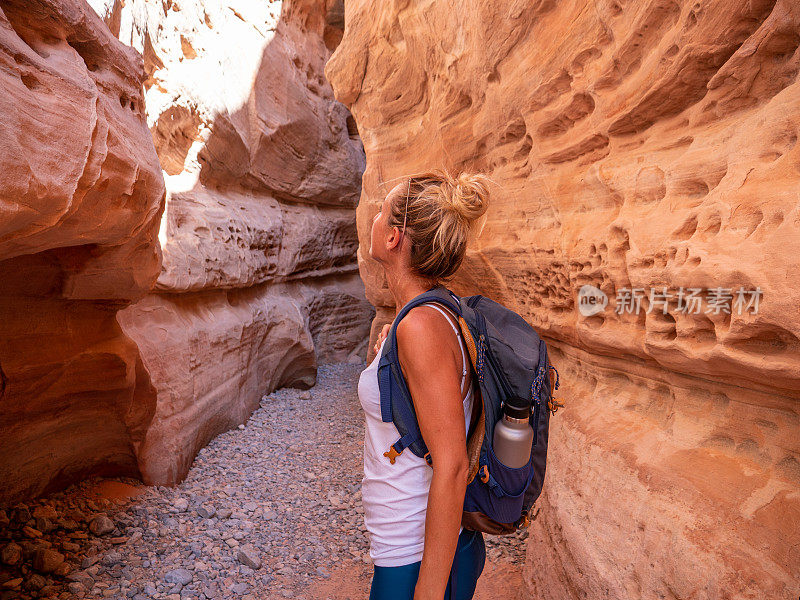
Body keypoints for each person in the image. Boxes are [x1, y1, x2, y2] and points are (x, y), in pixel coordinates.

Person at [357, 171, 492, 600]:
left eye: (380, 213)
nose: (374, 220)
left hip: (417, 554)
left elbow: (451, 465)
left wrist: (429, 591)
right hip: (417, 545)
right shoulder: (422, 317)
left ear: (394, 238)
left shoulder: (420, 326)